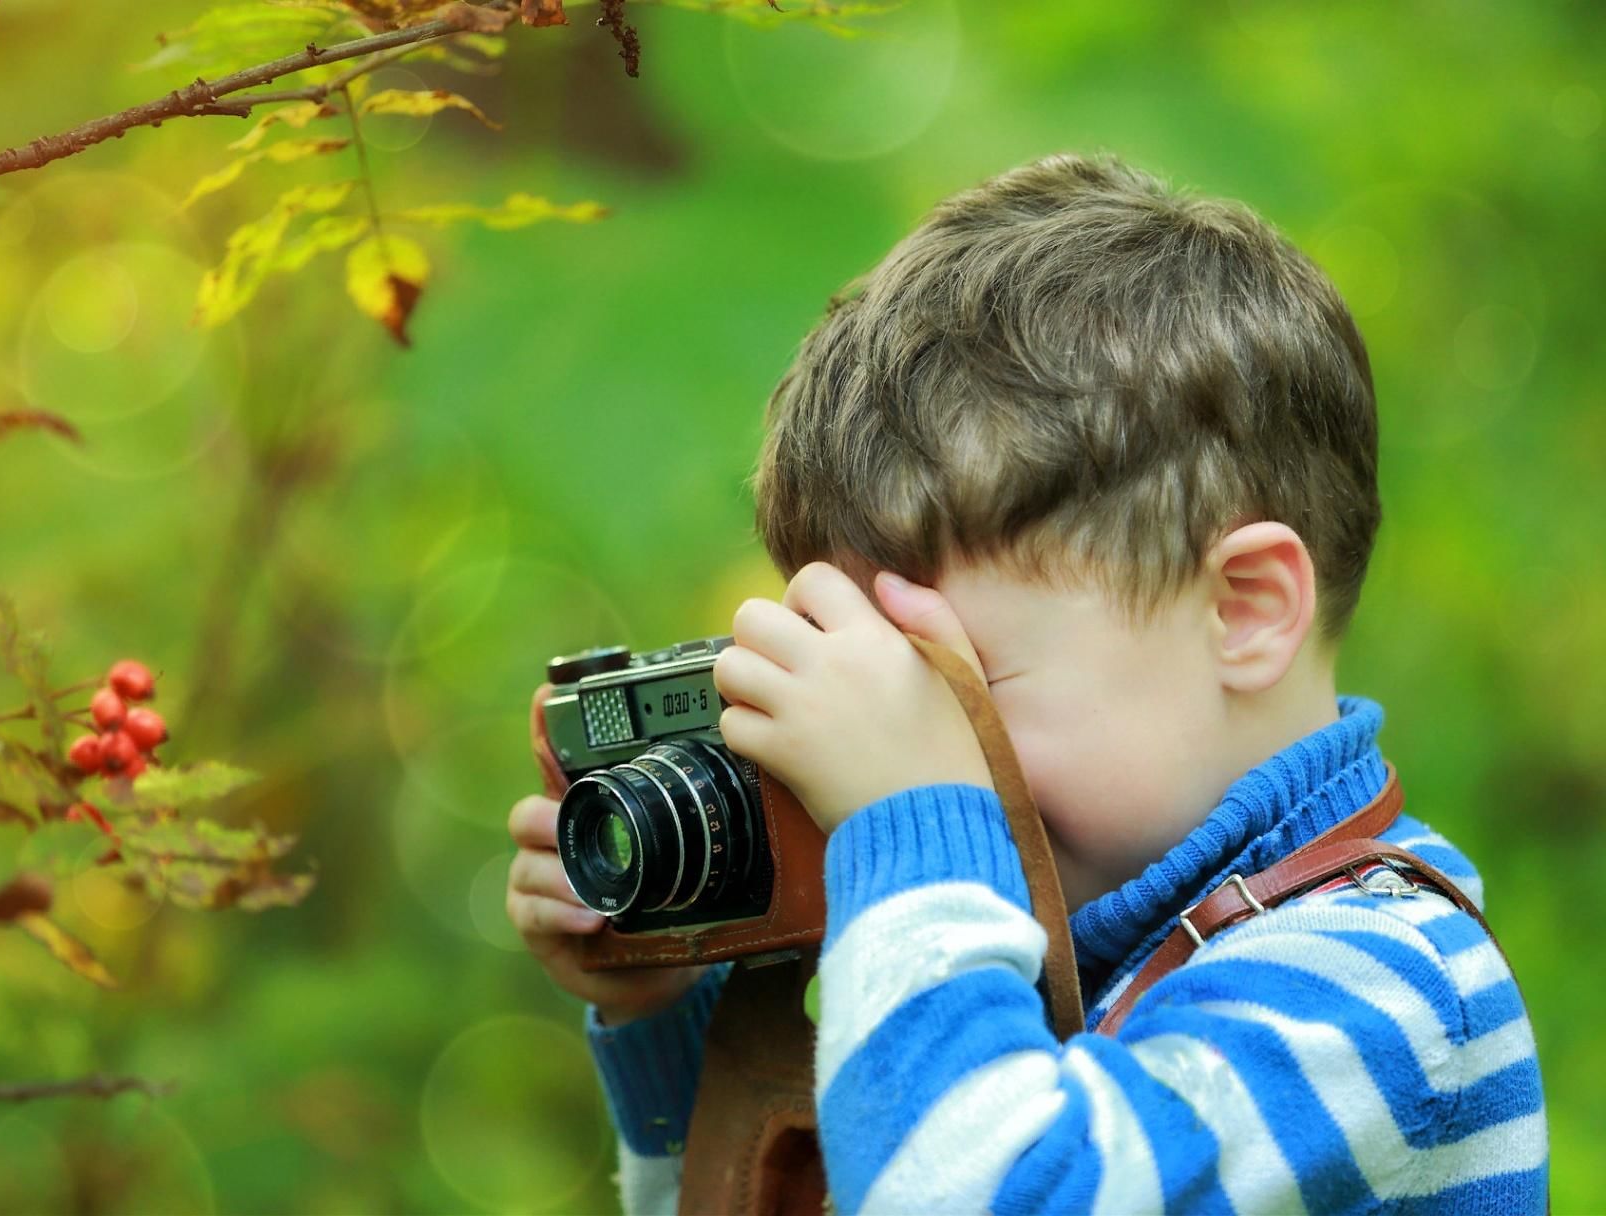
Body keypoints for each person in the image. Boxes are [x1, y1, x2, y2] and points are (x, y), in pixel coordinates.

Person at [504, 152, 1548, 1214]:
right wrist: (676, 1013)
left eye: (956, 687)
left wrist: (914, 822)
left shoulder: (1383, 980)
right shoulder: (1057, 955)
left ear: (1243, 609)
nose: (911, 744)